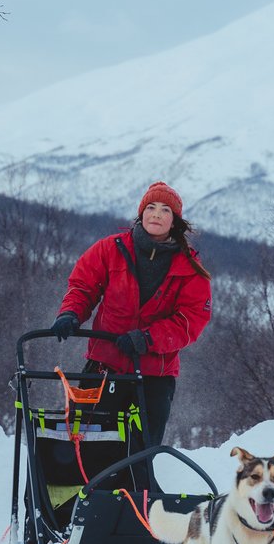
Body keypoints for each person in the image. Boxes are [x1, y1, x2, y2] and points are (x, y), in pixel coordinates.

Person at [50, 181, 212, 454]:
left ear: (175, 222)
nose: (156, 215)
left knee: (140, 450)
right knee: (88, 442)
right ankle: (84, 492)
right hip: (105, 365)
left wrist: (148, 338)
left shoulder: (190, 268)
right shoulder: (109, 250)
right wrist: (70, 313)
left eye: (165, 210)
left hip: (154, 375)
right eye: (151, 208)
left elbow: (191, 319)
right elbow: (83, 286)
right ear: (141, 214)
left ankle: (137, 493)